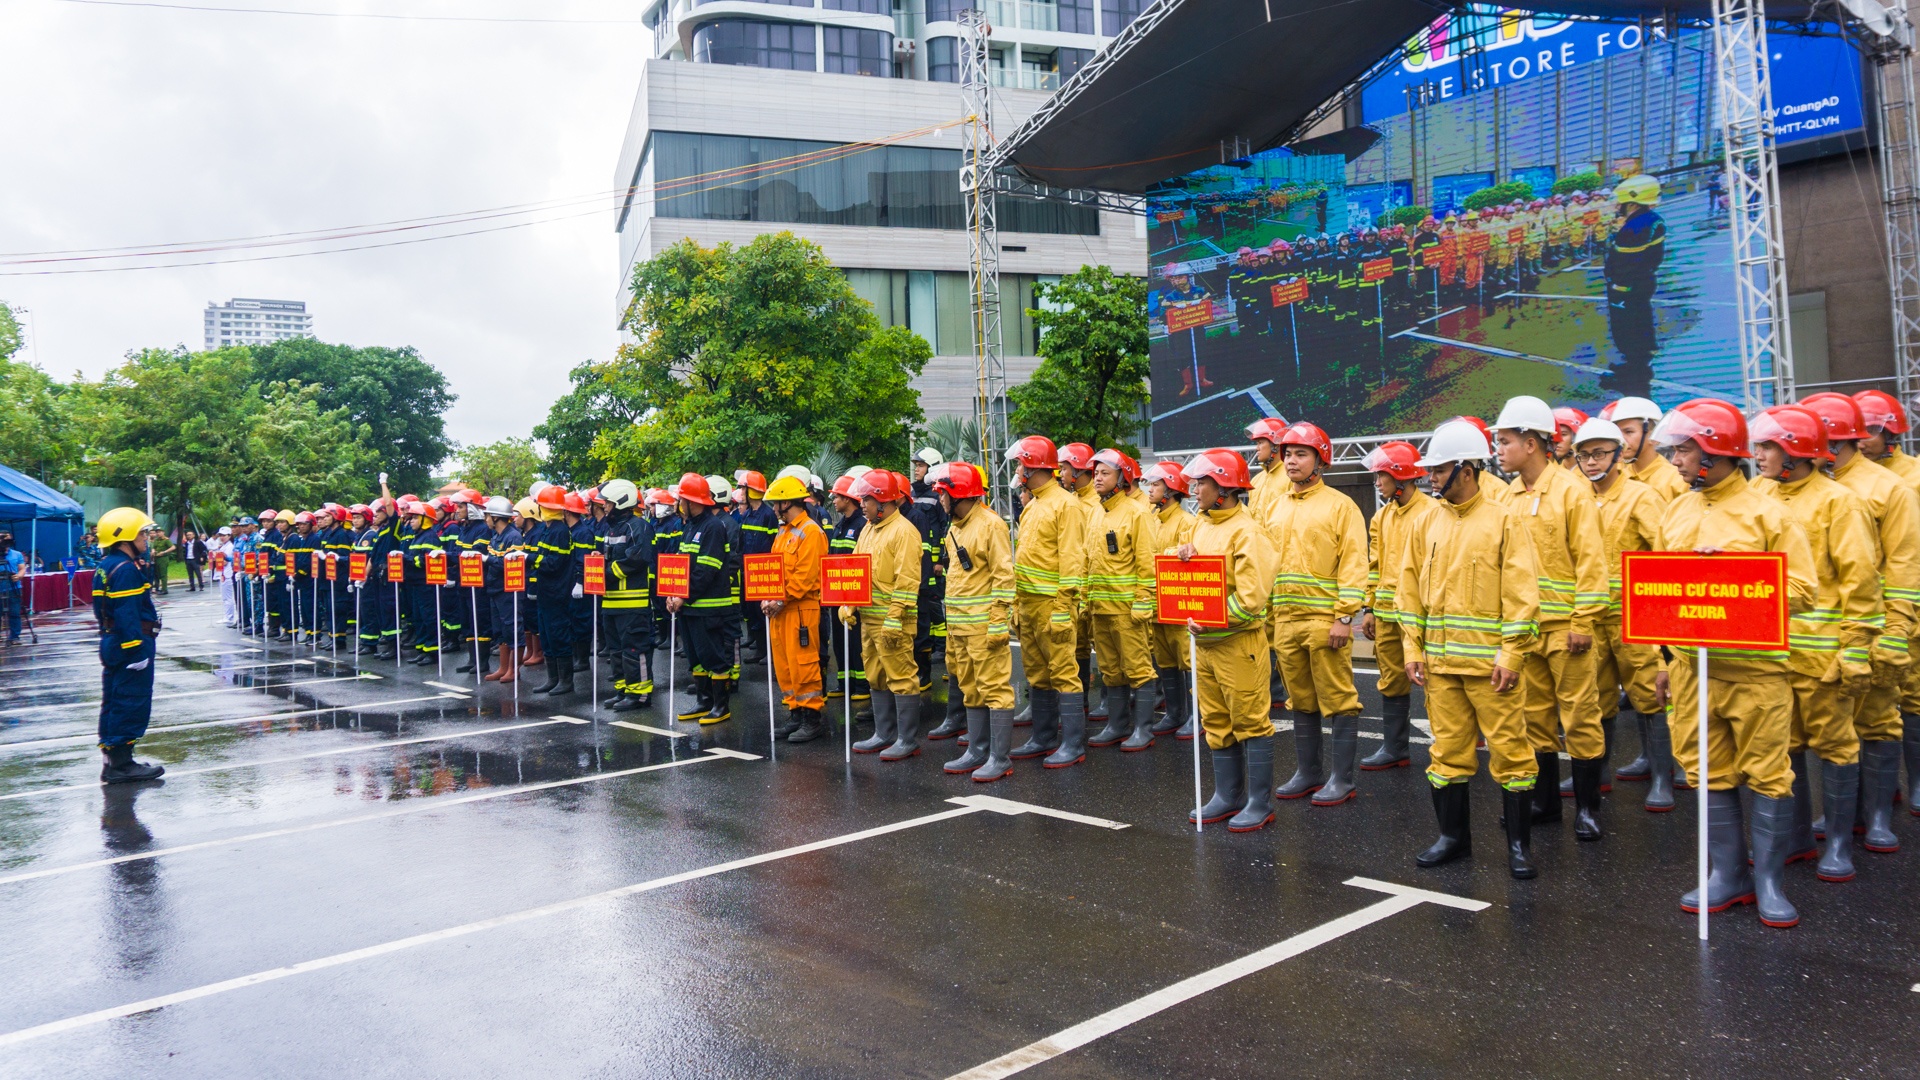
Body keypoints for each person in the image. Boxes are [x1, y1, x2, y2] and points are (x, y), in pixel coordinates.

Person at [1651, 399, 1816, 928]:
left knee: (1768, 775)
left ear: (1715, 451)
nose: (1675, 460)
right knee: (1706, 770)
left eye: (1684, 449)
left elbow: (1803, 590)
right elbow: (1657, 593)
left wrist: (1734, 574)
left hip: (1756, 673)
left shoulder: (1770, 514)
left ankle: (1769, 882)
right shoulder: (1676, 511)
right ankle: (1728, 874)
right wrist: (1662, 660)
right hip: (1692, 671)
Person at [1396, 419, 1542, 878]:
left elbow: (1522, 594)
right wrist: (1412, 650)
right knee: (1446, 754)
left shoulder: (1503, 520)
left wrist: (1512, 654)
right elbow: (1408, 590)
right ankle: (1452, 839)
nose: (1431, 477)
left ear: (1466, 470)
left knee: (1512, 754)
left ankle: (1518, 847)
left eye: (1439, 470)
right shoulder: (1425, 522)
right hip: (1440, 668)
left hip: (1490, 669)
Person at [1749, 404, 1880, 883]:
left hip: (1822, 656)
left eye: (1767, 447)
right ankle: (1799, 838)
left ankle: (1840, 844)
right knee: (1784, 745)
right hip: (1772, 653)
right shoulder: (1757, 494)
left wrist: (1856, 648)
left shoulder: (1839, 502)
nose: (1757, 455)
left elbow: (1860, 581)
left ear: (1796, 451)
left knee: (1835, 745)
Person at [1801, 391, 1920, 855]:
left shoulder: (1890, 489)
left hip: (1875, 624)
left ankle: (1877, 817)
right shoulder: (1807, 488)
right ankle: (1844, 814)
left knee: (1878, 719)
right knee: (1832, 728)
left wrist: (1896, 632)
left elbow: (1905, 565)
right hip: (1820, 633)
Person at [1493, 395, 1610, 841]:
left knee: (1580, 716)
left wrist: (1583, 622)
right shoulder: (1508, 495)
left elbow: (1591, 561)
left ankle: (1588, 809)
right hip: (1527, 632)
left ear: (1531, 443)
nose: (1499, 450)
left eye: (1505, 441)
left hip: (1566, 631)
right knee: (1534, 717)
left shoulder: (1571, 491)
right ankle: (1544, 803)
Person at [1261, 421, 1369, 806]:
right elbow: (1261, 560)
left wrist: (1345, 618)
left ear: (1321, 460)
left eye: (1301, 454)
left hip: (1325, 622)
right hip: (1285, 620)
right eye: (1288, 454)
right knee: (1300, 699)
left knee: (1339, 699)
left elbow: (1355, 563)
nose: (1291, 460)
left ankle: (1342, 779)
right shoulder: (1274, 506)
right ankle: (1308, 773)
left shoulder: (1341, 506)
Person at [1571, 417, 1673, 811]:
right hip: (1592, 618)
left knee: (1650, 695)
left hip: (1635, 619)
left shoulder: (1641, 497)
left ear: (1618, 455)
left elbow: (1664, 553)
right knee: (1595, 698)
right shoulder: (1576, 496)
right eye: (1584, 455)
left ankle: (1662, 777)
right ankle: (1597, 773)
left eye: (1599, 453)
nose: (1591, 462)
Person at [1174, 448, 1279, 831]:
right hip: (1205, 645)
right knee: (1216, 720)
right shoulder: (1200, 525)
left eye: (1201, 482)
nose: (1194, 489)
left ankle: (1259, 802)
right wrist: (1180, 552)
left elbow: (1252, 599)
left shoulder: (1248, 532)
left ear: (1224, 487)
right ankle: (1227, 794)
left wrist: (1212, 619)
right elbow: (1181, 570)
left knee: (1250, 721)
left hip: (1238, 646)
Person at [1853, 387, 1920, 812]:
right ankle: (1883, 789)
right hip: (1866, 607)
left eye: (1871, 432)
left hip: (1909, 601)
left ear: (1892, 433)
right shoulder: (1841, 478)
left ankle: (1916, 782)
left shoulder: (1911, 477)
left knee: (1912, 695)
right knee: (1870, 703)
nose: (1862, 440)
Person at [1004, 436, 1088, 764]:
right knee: (1037, 673)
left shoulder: (1066, 505)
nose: (1017, 470)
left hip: (1052, 605)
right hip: (1029, 605)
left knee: (1063, 672)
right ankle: (1042, 737)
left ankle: (1073, 745)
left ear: (1033, 465)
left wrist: (1064, 608)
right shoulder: (1033, 506)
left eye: (1019, 464)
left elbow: (1072, 560)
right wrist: (1016, 604)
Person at [933, 461, 1018, 780]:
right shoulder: (955, 527)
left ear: (959, 494)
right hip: (960, 626)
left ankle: (999, 758)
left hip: (983, 626)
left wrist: (998, 621)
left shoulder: (990, 524)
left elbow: (1003, 576)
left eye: (943, 493)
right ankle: (977, 751)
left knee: (994, 688)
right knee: (970, 687)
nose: (940, 499)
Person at [1358, 440, 1440, 771]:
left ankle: (1450, 747)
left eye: (1382, 476)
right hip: (1387, 615)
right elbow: (1374, 566)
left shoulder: (1432, 512)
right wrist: (1369, 608)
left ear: (1401, 476)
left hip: (1423, 616)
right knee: (1391, 680)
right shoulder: (1381, 517)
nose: (1378, 482)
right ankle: (1395, 748)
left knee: (1437, 682)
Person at [1083, 447, 1161, 753]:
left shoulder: (1137, 513)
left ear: (1122, 478)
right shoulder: (1095, 512)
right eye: (1095, 473)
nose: (1097, 478)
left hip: (1127, 611)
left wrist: (1143, 601)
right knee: (1110, 670)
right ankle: (1116, 726)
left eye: (1105, 473)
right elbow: (1087, 560)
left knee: (1139, 669)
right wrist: (1084, 600)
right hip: (1100, 610)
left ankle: (1143, 729)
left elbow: (1147, 561)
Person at [846, 469, 925, 758]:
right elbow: (856, 568)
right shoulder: (869, 528)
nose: (862, 505)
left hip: (894, 621)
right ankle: (884, 734)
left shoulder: (904, 531)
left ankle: (907, 740)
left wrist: (894, 617)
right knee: (875, 675)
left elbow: (907, 580)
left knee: (901, 677)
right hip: (869, 619)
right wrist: (848, 604)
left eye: (866, 500)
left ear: (882, 501)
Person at [93, 507, 166, 783]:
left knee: (114, 700)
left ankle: (114, 760)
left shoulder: (107, 565)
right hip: (129, 643)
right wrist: (135, 649)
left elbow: (102, 610)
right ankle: (121, 765)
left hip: (113, 640)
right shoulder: (125, 569)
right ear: (125, 538)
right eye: (141, 534)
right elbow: (127, 612)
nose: (146, 538)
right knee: (130, 701)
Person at [763, 473, 827, 741]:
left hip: (801, 608)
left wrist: (780, 598)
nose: (774, 509)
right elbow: (772, 570)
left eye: (776, 504)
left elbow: (806, 576)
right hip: (781, 608)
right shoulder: (784, 531)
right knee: (785, 664)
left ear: (787, 503)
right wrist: (767, 596)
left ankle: (812, 718)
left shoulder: (810, 531)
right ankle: (795, 714)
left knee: (803, 663)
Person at [669, 473, 736, 722]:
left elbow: (706, 570)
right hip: (689, 606)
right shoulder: (690, 526)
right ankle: (703, 701)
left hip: (709, 608)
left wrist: (683, 596)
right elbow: (680, 567)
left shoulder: (713, 527)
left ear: (691, 501)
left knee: (714, 657)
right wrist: (673, 593)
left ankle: (721, 706)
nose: (678, 504)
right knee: (695, 658)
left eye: (681, 499)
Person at [1142, 462, 1196, 738]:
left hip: (1178, 606)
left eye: (1156, 484)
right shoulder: (1151, 520)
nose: (1150, 490)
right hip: (1156, 604)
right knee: (1165, 660)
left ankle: (1197, 716)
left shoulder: (1186, 522)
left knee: (1187, 660)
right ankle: (1175, 714)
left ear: (1172, 489)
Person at [1603, 175, 1666, 395]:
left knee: (1627, 330)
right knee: (1641, 323)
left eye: (1620, 201)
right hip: (1644, 280)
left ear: (1632, 202)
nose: (1617, 205)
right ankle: (1638, 364)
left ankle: (1633, 376)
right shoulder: (1654, 219)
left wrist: (1618, 286)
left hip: (1626, 287)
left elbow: (1624, 263)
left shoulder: (1634, 228)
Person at [598, 480, 654, 709]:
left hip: (632, 603)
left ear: (621, 502)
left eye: (608, 503)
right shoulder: (612, 528)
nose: (604, 506)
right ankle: (623, 690)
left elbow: (637, 558)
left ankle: (639, 694)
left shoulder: (638, 526)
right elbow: (612, 557)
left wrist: (606, 572)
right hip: (610, 602)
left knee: (634, 649)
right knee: (616, 650)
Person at [825, 474, 869, 710]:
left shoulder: (861, 525)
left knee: (856, 640)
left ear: (849, 499)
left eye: (837, 497)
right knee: (840, 641)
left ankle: (862, 685)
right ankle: (845, 683)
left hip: (854, 595)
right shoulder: (840, 525)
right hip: (836, 593)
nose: (833, 501)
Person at [531, 486, 579, 696]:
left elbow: (554, 563)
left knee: (558, 635)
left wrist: (530, 559)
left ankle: (566, 681)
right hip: (545, 592)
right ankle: (553, 678)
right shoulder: (548, 529)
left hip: (557, 593)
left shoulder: (559, 531)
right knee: (547, 636)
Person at [1599, 397, 1688, 503]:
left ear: (1653, 436)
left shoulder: (1677, 480)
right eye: (1618, 433)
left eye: (1628, 432)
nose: (1621, 439)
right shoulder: (1615, 475)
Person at [480, 496, 526, 685]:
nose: (486, 519)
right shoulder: (496, 536)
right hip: (496, 589)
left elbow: (509, 564)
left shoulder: (513, 537)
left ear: (496, 517)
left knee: (513, 627)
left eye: (488, 516)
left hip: (509, 590)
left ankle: (513, 670)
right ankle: (503, 667)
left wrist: (487, 559)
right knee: (500, 630)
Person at [735, 471, 779, 664]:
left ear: (753, 490)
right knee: (751, 610)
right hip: (747, 571)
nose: (742, 492)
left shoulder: (768, 515)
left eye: (744, 489)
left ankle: (770, 651)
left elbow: (774, 544)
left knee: (764, 613)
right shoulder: (747, 515)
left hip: (763, 572)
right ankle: (760, 649)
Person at [0, 532, 23, 645]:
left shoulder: (17, 554)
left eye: (7, 539)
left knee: (14, 613)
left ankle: (14, 637)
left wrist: (18, 576)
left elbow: (22, 569)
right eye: (2, 539)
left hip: (13, 588)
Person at [148, 526, 176, 596]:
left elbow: (173, 547)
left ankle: (164, 589)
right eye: (157, 532)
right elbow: (154, 547)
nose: (158, 533)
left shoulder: (166, 540)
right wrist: (153, 551)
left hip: (163, 558)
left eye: (160, 532)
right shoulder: (156, 540)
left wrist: (164, 552)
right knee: (157, 574)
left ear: (163, 532)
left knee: (163, 574)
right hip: (156, 558)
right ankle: (157, 588)